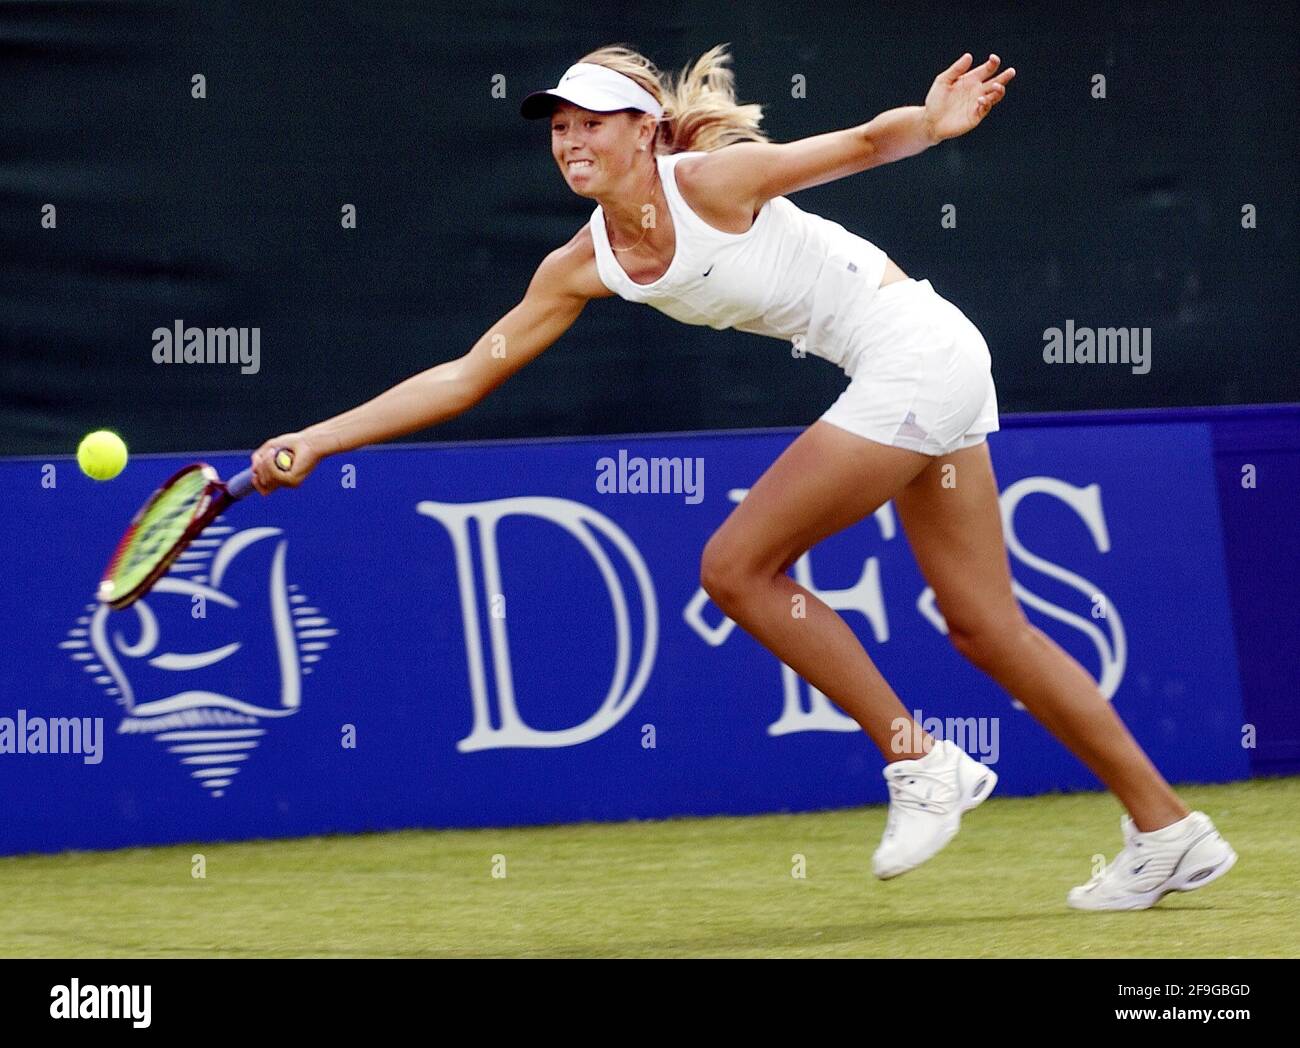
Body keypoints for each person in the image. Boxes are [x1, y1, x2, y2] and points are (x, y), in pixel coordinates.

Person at [250, 43, 1236, 910]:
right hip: (921, 367)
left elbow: (855, 145)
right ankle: (1166, 830)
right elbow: (468, 373)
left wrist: (928, 127)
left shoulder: (712, 182)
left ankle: (920, 758)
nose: (569, 139)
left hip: (917, 355)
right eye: (558, 126)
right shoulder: (582, 263)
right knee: (985, 625)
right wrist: (320, 437)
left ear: (645, 132)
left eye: (592, 121)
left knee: (736, 566)